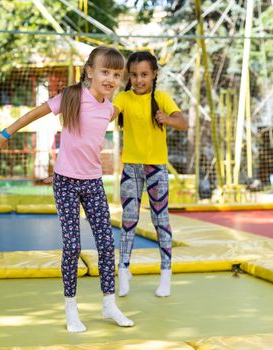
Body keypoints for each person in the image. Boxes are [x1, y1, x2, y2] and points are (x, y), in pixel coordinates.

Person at [0, 46, 134, 333]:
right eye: (105, 71)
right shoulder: (71, 97)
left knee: (107, 245)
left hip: (94, 183)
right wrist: (6, 133)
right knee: (72, 246)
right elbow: (36, 113)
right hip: (66, 182)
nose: (110, 79)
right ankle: (71, 308)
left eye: (117, 75)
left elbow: (127, 106)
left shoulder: (109, 109)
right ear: (90, 71)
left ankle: (109, 303)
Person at [112, 51, 188, 298]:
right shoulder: (123, 98)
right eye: (133, 75)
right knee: (129, 219)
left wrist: (167, 118)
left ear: (154, 74)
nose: (138, 79)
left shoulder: (162, 98)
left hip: (156, 168)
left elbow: (183, 122)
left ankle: (166, 271)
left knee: (160, 220)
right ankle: (123, 268)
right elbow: (110, 113)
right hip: (131, 168)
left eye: (144, 74)